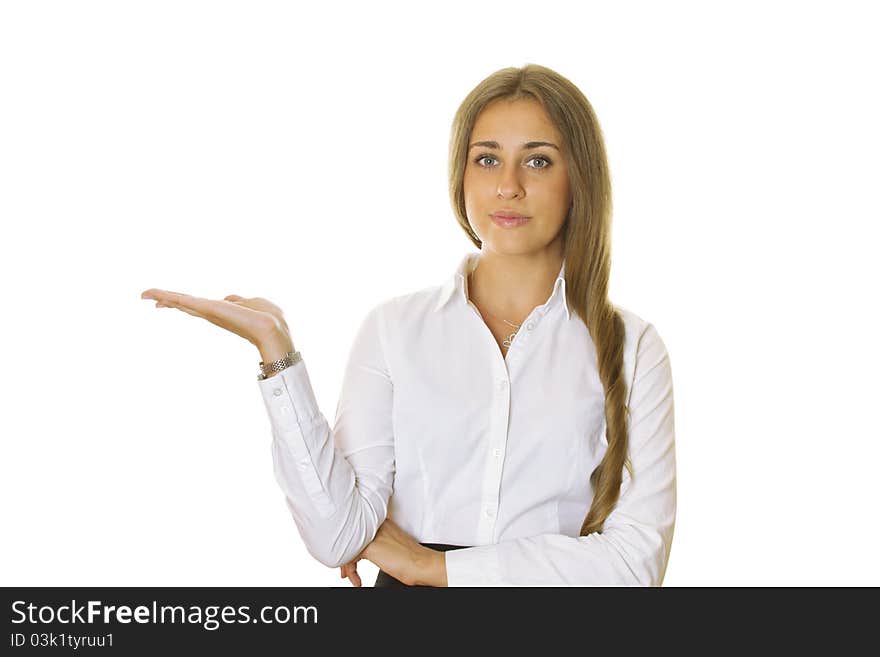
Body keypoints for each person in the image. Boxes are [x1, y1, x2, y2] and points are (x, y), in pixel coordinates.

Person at [141, 63, 676, 587]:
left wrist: (435, 568)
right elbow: (338, 535)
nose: (508, 186)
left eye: (537, 162)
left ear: (578, 177)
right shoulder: (395, 329)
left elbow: (633, 567)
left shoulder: (634, 348)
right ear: (460, 175)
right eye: (487, 159)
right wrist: (275, 350)